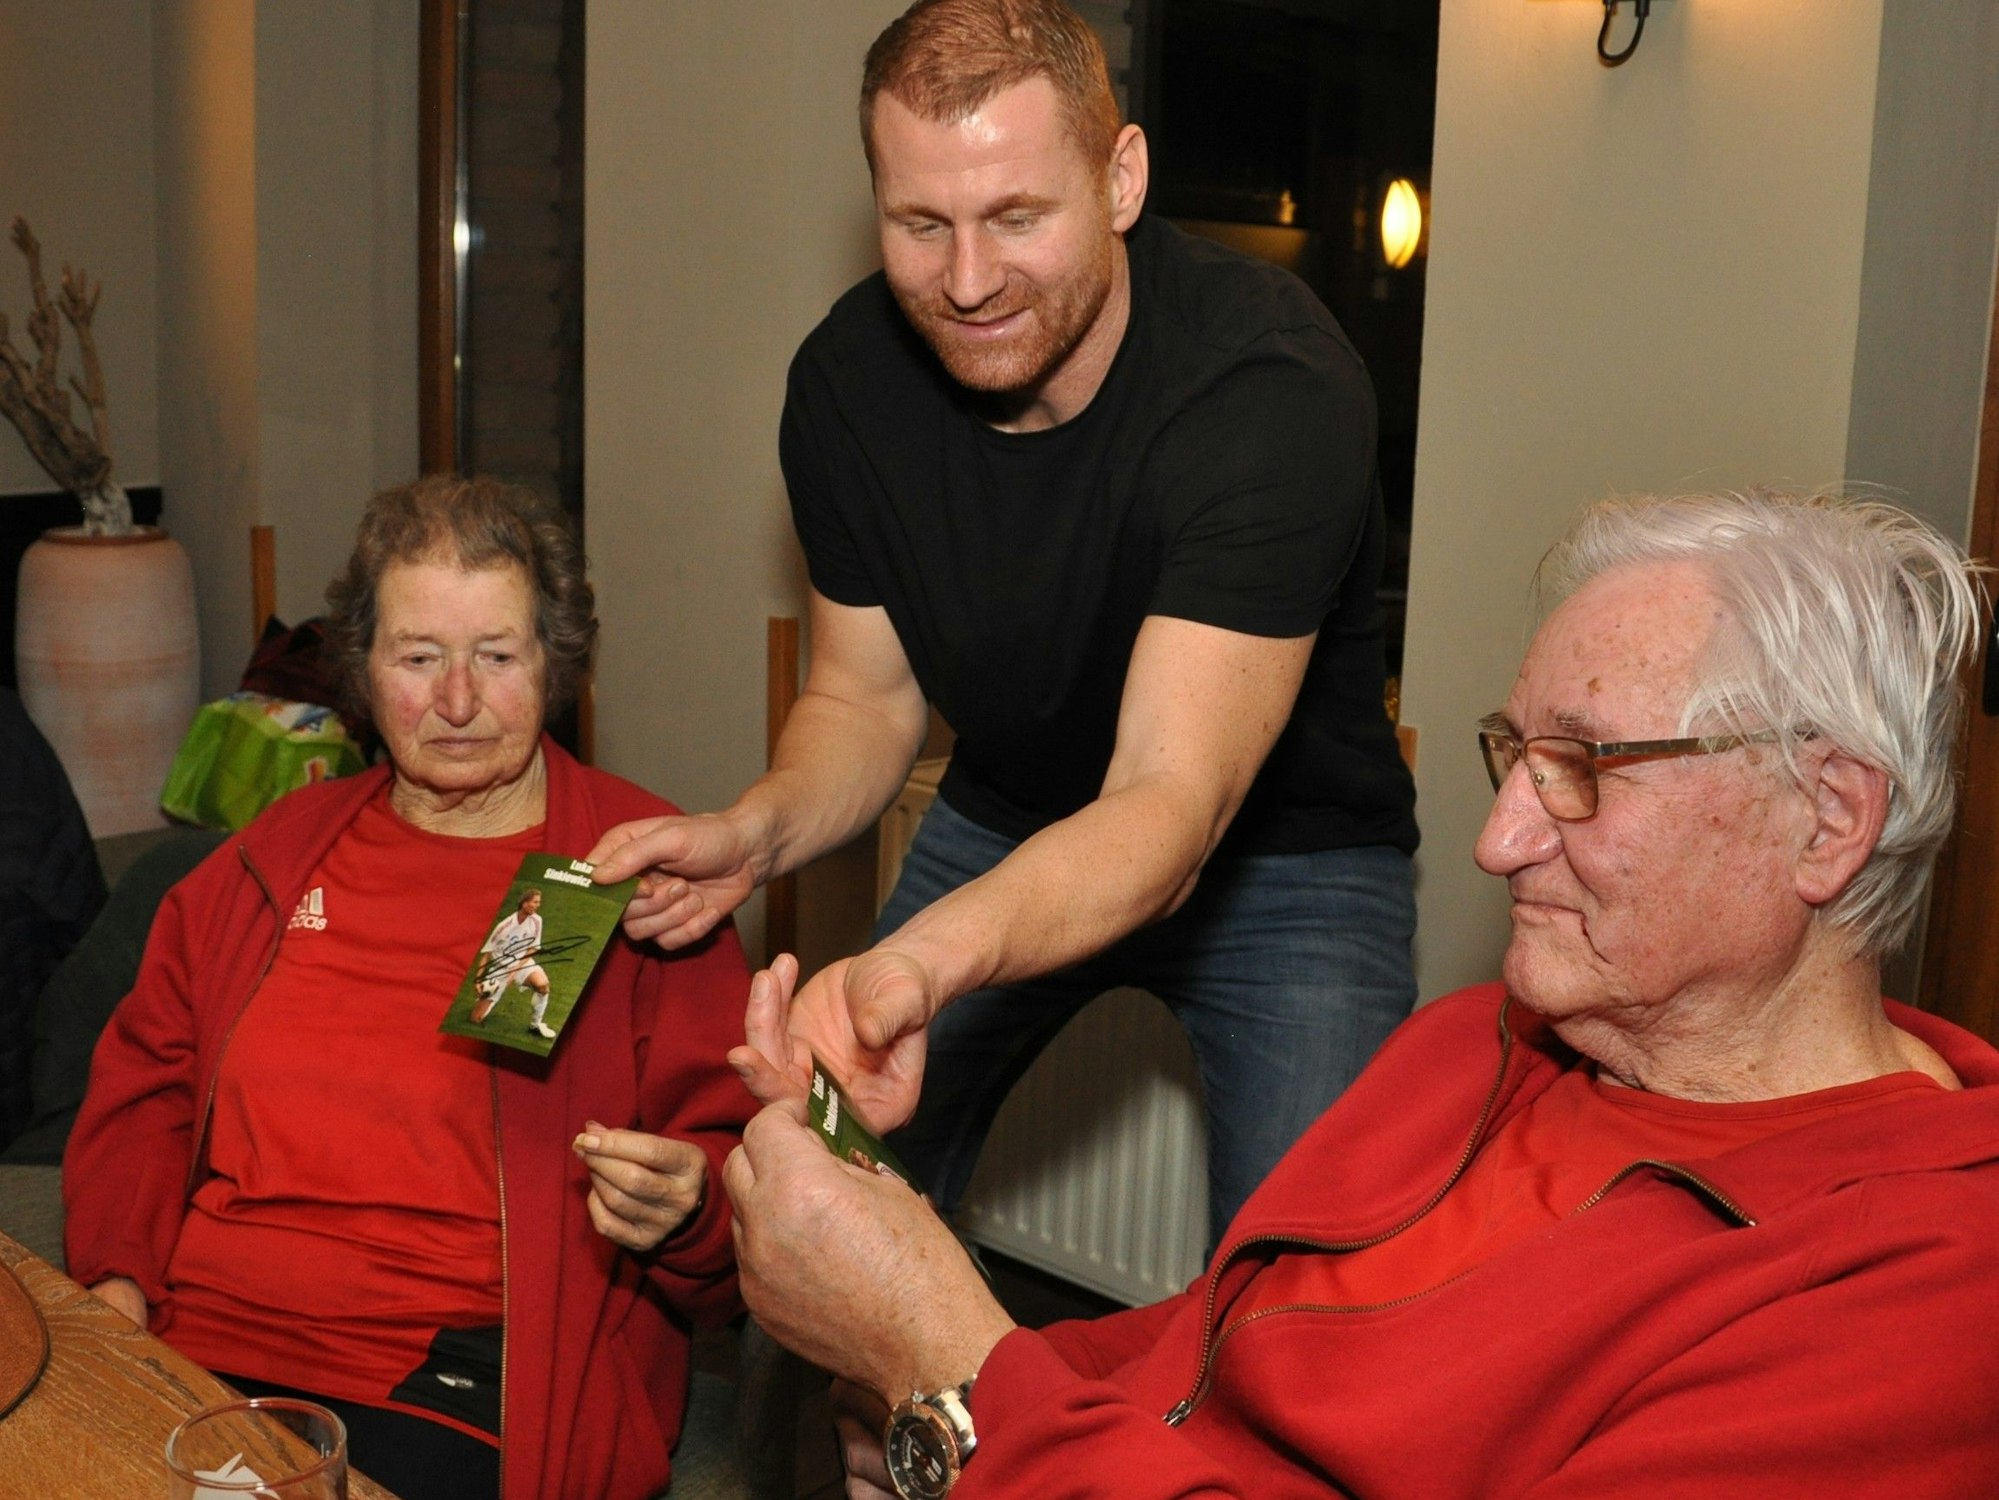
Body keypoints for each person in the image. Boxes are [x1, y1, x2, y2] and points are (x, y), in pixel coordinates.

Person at [723, 490, 1999, 1500]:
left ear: (1827, 820)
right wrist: (968, 1378)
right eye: (1514, 754)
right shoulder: (1475, 1043)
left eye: (1581, 769)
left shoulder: (1919, 1301)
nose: (1496, 844)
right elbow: (1212, 1348)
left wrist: (940, 1359)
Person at [590, 0, 1418, 1246]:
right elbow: (864, 701)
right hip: (1008, 808)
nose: (967, 282)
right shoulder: (846, 385)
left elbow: (1166, 803)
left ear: (1121, 177)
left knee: (1306, 1303)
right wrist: (755, 832)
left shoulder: (1269, 388)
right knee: (814, 1201)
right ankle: (826, 1448)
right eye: (922, 225)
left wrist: (920, 964)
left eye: (1017, 218)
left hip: (1286, 861)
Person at [63, 476, 755, 1500]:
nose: (459, 702)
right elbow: (148, 1086)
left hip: (456, 1382)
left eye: (498, 656)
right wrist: (116, 1284)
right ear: (362, 666)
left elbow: (739, 1175)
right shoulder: (274, 860)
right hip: (199, 1350)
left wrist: (691, 1202)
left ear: (556, 664)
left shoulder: (625, 877)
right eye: (419, 657)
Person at [471, 886, 553, 1033]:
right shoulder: (504, 927)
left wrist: (515, 971)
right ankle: (485, 997)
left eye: (538, 902)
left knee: (543, 986)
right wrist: (478, 980)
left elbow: (533, 947)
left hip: (522, 963)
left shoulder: (536, 921)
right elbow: (486, 954)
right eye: (534, 902)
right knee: (475, 1019)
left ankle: (535, 1024)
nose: (537, 906)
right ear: (524, 903)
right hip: (500, 969)